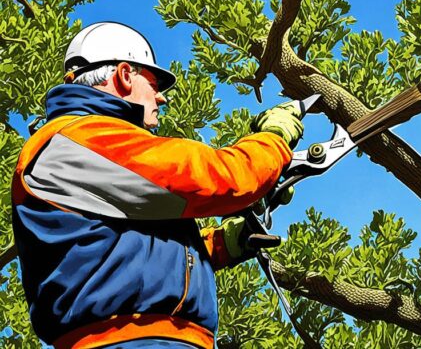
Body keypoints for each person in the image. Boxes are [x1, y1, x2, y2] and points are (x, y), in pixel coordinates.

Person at [11, 22, 303, 348]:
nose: (161, 98)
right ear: (124, 75)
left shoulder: (83, 148)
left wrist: (226, 243)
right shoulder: (80, 138)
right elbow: (217, 177)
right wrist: (274, 140)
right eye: (153, 84)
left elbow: (129, 255)